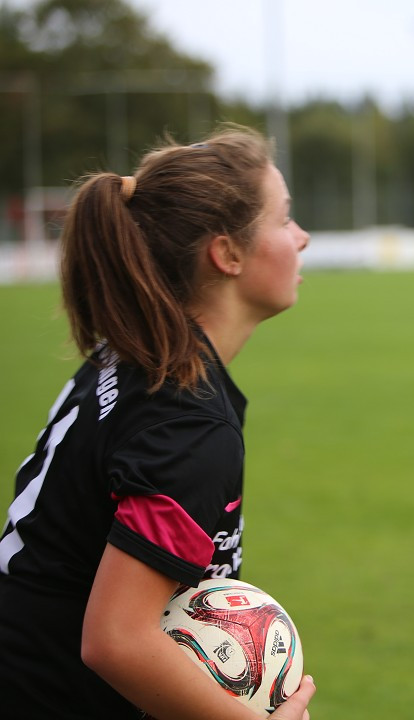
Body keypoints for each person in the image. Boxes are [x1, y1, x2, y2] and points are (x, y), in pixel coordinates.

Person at [0, 125, 317, 719]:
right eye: (284, 219)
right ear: (226, 254)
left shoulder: (129, 358)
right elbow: (116, 640)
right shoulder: (185, 426)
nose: (301, 238)